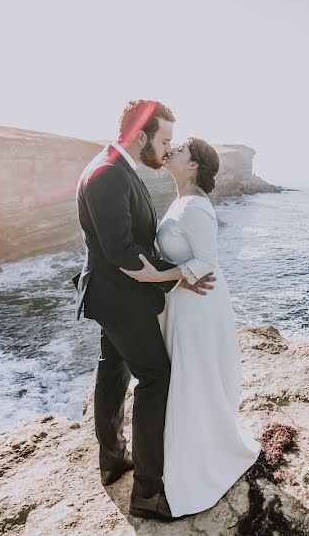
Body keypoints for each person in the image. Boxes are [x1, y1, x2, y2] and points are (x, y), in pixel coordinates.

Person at [72, 100, 215, 522]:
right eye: (164, 139)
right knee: (157, 376)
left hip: (111, 294)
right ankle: (148, 492)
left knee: (113, 367)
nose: (167, 148)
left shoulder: (114, 166)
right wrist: (178, 275)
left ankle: (112, 459)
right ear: (140, 136)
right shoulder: (105, 174)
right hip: (120, 296)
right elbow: (123, 253)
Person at [122, 136, 262, 517]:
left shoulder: (196, 207)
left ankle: (197, 472)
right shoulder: (181, 202)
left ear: (194, 165)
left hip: (198, 305)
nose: (172, 150)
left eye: (180, 148)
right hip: (183, 302)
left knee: (192, 381)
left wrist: (153, 277)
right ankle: (180, 458)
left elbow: (208, 263)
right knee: (184, 379)